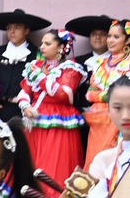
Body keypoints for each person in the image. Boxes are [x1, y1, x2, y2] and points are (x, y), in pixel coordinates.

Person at [17, 29, 85, 182]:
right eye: (42, 43)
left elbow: (64, 94)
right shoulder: (36, 65)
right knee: (32, 163)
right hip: (34, 122)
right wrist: (25, 106)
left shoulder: (70, 68)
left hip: (58, 123)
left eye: (47, 44)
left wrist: (40, 77)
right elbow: (24, 92)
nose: (42, 47)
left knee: (54, 164)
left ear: (60, 48)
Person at [85, 19, 130, 160]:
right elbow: (89, 94)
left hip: (123, 120)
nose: (110, 41)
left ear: (127, 40)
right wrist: (109, 96)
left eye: (116, 37)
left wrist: (107, 97)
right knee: (96, 162)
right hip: (98, 123)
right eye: (109, 36)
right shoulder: (101, 64)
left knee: (117, 162)